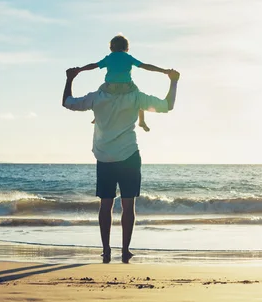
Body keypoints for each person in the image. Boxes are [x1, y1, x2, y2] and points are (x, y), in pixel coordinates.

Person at [62, 65, 180, 263]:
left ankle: (106, 250)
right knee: (128, 204)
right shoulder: (135, 96)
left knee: (105, 204)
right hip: (129, 156)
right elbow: (167, 105)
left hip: (105, 157)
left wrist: (70, 78)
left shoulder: (97, 97)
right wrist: (173, 81)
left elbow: (68, 102)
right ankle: (125, 250)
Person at [75, 35, 170, 131]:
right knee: (138, 98)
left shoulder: (109, 58)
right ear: (127, 49)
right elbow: (145, 66)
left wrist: (80, 69)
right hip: (127, 87)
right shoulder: (128, 57)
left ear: (111, 48)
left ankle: (97, 116)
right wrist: (163, 71)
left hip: (109, 87)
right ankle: (141, 121)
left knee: (99, 94)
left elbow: (93, 65)